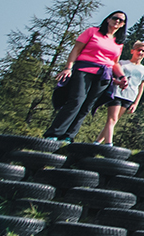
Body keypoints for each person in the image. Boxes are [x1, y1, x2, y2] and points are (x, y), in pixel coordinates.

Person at [45, 10, 127, 141]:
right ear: (108, 19)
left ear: (122, 25)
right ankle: (53, 134)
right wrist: (68, 68)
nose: (117, 21)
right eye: (115, 18)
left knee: (87, 106)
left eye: (121, 20)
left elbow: (114, 63)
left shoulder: (119, 43)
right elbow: (76, 50)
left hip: (103, 77)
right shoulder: (92, 32)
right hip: (84, 70)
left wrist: (122, 77)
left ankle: (68, 137)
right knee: (76, 101)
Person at [97, 39, 144, 146]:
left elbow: (141, 87)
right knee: (112, 118)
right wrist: (117, 82)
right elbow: (111, 77)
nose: (140, 53)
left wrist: (136, 103)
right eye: (138, 50)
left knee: (114, 121)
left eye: (143, 51)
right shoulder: (122, 63)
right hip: (116, 93)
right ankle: (108, 143)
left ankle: (97, 142)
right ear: (132, 51)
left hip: (129, 96)